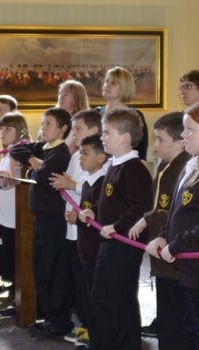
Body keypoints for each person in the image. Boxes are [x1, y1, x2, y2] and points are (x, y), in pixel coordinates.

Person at [79, 108, 153, 350]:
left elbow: (140, 206)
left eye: (107, 133)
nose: (103, 138)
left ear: (125, 138)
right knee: (103, 297)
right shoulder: (114, 165)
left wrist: (117, 227)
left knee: (118, 301)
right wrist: (94, 209)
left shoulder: (134, 168)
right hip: (109, 243)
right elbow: (111, 200)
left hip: (123, 246)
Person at [142, 68, 199, 338]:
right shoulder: (189, 167)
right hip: (184, 266)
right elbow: (176, 211)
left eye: (190, 130)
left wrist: (175, 245)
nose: (185, 136)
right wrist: (164, 235)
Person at [10, 107, 73, 338]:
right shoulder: (44, 148)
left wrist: (36, 167)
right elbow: (16, 147)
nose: (43, 128)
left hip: (54, 221)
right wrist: (30, 159)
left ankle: (59, 321)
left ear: (63, 128)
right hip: (40, 221)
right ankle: (48, 316)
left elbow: (44, 177)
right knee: (42, 269)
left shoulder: (61, 153)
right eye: (43, 123)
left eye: (49, 124)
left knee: (55, 271)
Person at [128, 111, 190, 349]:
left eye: (160, 139)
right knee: (167, 315)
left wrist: (147, 219)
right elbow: (157, 204)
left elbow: (175, 211)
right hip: (161, 254)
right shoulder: (166, 165)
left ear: (180, 141)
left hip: (175, 254)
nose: (155, 145)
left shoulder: (184, 168)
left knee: (177, 317)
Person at [49, 109, 102, 345]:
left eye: (78, 128)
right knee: (77, 284)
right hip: (72, 230)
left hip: (89, 232)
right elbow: (66, 189)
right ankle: (85, 325)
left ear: (95, 130)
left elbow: (96, 190)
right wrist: (69, 202)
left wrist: (72, 186)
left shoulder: (103, 159)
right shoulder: (74, 157)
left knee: (91, 285)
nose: (74, 134)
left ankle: (95, 328)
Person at [0, 111, 32, 316]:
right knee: (7, 256)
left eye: (8, 129)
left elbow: (16, 181)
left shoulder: (19, 151)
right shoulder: (9, 152)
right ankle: (16, 297)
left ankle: (21, 302)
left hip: (16, 218)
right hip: (5, 217)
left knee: (15, 260)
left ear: (20, 130)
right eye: (1, 128)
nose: (2, 132)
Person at [72, 134, 109, 350]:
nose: (80, 158)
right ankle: (94, 339)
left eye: (85, 153)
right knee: (87, 299)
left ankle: (101, 342)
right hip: (85, 250)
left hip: (96, 252)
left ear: (101, 157)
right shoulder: (88, 181)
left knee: (98, 301)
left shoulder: (103, 183)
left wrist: (84, 216)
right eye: (79, 153)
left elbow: (100, 215)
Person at [96, 66, 149, 161]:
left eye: (113, 83)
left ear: (125, 87)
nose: (107, 85)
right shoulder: (95, 113)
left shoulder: (134, 115)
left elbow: (140, 152)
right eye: (106, 81)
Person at [56, 79, 90, 154]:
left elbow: (70, 149)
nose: (61, 97)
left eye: (65, 95)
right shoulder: (53, 118)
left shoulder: (82, 122)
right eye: (60, 94)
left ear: (76, 99)